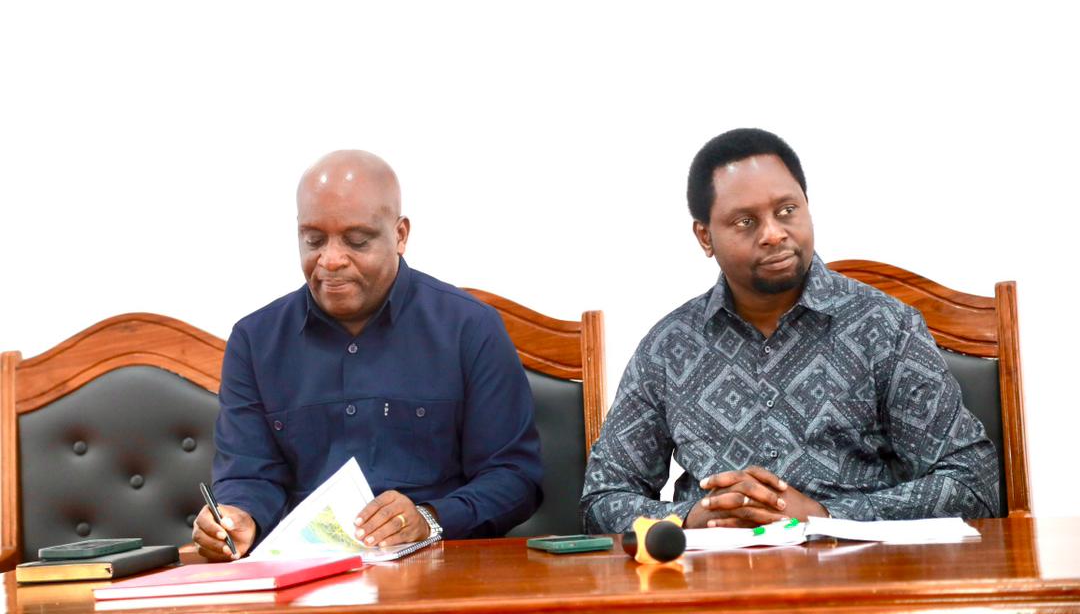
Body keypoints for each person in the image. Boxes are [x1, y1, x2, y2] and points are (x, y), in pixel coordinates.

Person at [581, 129, 998, 533]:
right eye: (745, 221)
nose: (773, 234)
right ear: (705, 237)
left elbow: (972, 483)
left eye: (786, 211)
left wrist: (826, 516)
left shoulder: (884, 326)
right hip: (716, 575)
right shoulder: (669, 348)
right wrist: (692, 519)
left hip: (857, 571)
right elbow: (603, 499)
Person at [193, 150, 542, 560]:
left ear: (400, 235)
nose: (331, 260)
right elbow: (249, 475)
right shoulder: (254, 341)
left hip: (440, 568)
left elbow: (515, 477)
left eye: (357, 241)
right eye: (313, 240)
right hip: (303, 576)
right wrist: (239, 518)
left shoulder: (470, 328)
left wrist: (430, 519)